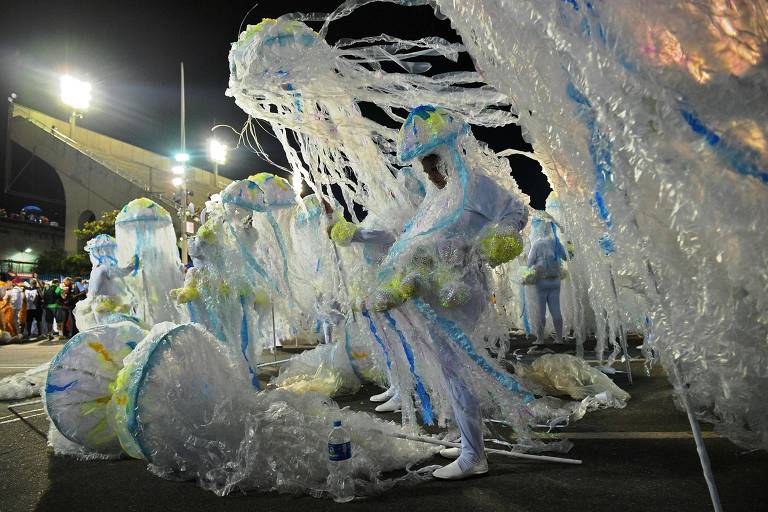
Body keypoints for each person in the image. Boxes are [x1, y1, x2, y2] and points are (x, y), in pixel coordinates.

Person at [377, 106, 529, 480]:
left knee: (458, 370)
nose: (429, 173)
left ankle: (473, 456)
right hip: (437, 293)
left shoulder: (475, 186)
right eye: (425, 168)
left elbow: (516, 213)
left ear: (448, 156)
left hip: (461, 292)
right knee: (449, 369)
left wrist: (495, 243)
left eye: (433, 164)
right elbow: (419, 243)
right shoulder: (438, 198)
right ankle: (466, 439)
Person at [526, 217, 567, 353]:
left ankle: (540, 339)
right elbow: (566, 256)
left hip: (541, 281)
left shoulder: (537, 244)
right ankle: (560, 338)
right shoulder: (556, 242)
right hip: (555, 280)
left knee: (541, 310)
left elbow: (529, 263)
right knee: (556, 310)